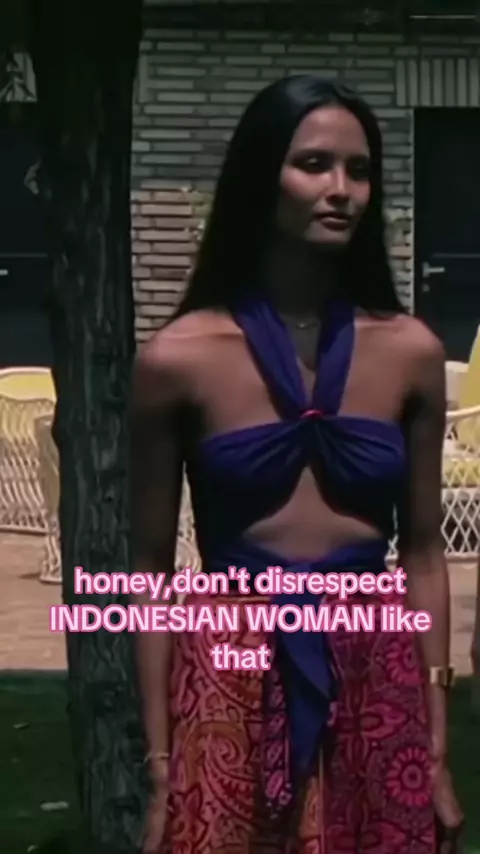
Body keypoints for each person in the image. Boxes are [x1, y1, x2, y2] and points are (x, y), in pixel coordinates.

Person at [129, 76, 464, 854]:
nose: (342, 189)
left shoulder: (410, 352)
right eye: (314, 164)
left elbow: (423, 553)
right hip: (229, 669)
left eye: (359, 170)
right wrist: (161, 766)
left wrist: (436, 749)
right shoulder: (177, 360)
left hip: (374, 664)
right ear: (260, 177)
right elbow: (148, 571)